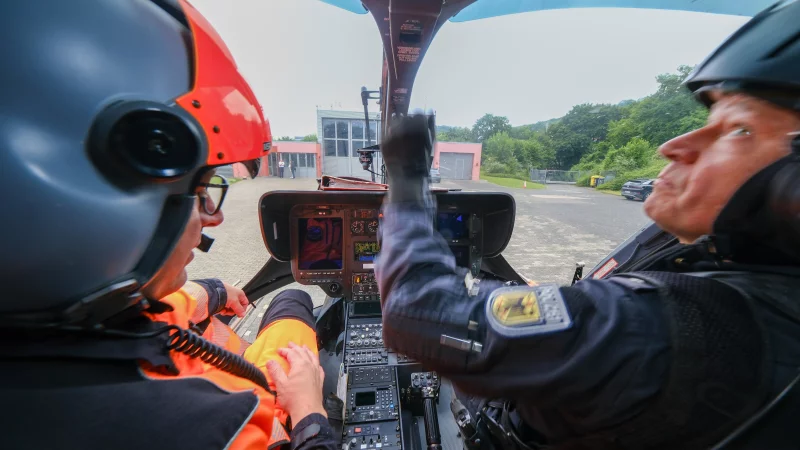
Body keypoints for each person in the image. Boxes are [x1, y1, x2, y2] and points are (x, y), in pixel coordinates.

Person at [375, 2, 800, 449]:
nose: (673, 145)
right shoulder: (761, 293)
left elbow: (416, 313)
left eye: (738, 129)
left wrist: (407, 182)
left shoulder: (659, 328)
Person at [0, 1, 338, 449]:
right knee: (297, 306)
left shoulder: (91, 321)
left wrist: (214, 291)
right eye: (200, 194)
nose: (212, 216)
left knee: (294, 292)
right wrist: (310, 411)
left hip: (178, 356)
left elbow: (151, 317)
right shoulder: (214, 428)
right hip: (271, 403)